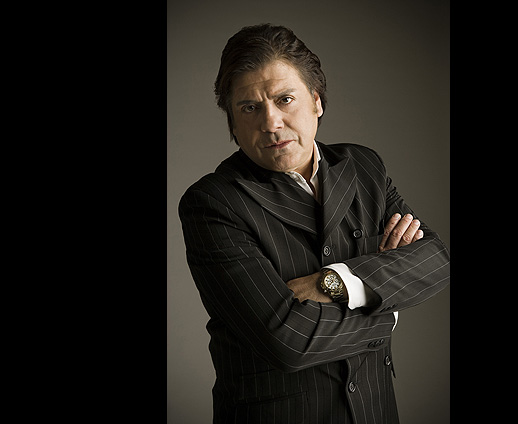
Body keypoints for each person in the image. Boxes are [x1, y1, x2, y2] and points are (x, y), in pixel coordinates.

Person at [178, 23, 450, 424]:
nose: (271, 122)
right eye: (249, 108)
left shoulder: (363, 166)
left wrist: (336, 282)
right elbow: (288, 340)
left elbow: (435, 260)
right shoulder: (214, 202)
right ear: (232, 122)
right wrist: (387, 308)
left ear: (316, 102)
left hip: (375, 410)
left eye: (284, 99)